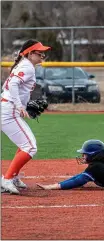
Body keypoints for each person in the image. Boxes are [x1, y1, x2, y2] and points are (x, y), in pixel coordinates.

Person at [1, 39, 51, 194]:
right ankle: (8, 179)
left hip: (7, 108)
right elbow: (13, 84)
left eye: (43, 52)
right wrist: (19, 105)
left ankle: (13, 176)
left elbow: (6, 86)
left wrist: (24, 104)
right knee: (30, 146)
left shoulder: (24, 65)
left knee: (25, 144)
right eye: (39, 52)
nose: (42, 55)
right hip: (9, 111)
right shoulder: (27, 67)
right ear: (30, 53)